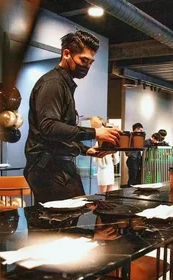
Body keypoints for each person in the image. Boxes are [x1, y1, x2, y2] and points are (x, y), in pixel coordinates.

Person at [24, 30, 121, 203]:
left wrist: (86, 150)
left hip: (56, 166)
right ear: (66, 53)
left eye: (91, 62)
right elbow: (49, 127)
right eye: (84, 60)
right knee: (64, 222)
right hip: (48, 168)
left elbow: (60, 132)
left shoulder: (63, 85)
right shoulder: (53, 84)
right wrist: (94, 133)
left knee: (70, 219)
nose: (88, 67)